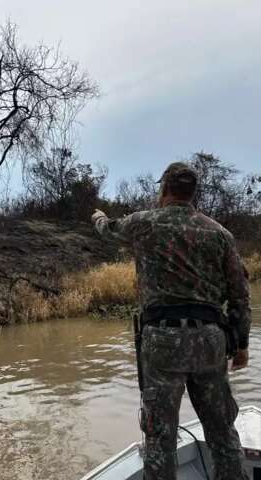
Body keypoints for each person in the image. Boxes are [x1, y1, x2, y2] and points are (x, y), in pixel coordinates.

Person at [91, 162, 251, 480]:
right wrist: (242, 344)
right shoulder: (220, 234)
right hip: (210, 341)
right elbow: (240, 294)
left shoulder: (143, 223)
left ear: (164, 189)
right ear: (194, 194)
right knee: (222, 433)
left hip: (162, 343)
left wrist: (96, 216)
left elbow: (107, 229)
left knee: (160, 438)